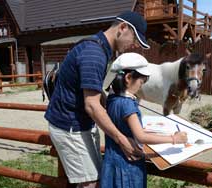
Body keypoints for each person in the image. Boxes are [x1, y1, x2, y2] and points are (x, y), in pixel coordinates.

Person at [44, 11, 150, 188]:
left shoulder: (99, 47)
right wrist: (122, 139)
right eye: (134, 39)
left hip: (79, 123)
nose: (133, 45)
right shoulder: (95, 54)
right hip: (70, 125)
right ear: (122, 28)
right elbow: (92, 105)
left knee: (96, 176)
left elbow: (92, 89)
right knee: (90, 183)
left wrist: (113, 102)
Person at [100, 53, 188, 188]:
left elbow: (122, 125)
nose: (141, 87)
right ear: (128, 78)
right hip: (127, 168)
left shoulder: (112, 99)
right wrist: (174, 139)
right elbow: (141, 137)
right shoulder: (127, 104)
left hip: (110, 164)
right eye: (141, 82)